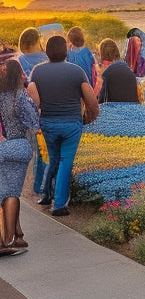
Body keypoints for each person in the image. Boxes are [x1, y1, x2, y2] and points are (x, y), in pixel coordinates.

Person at [27, 35, 100, 215]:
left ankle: (46, 194)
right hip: (71, 124)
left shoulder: (37, 71)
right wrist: (89, 117)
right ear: (66, 51)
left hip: (49, 123)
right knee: (65, 161)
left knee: (53, 159)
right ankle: (59, 205)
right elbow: (92, 102)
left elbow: (32, 100)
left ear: (47, 51)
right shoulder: (77, 71)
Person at [0, 57, 39, 253]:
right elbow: (33, 124)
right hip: (18, 146)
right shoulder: (20, 97)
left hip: (2, 147)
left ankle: (17, 235)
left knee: (3, 192)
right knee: (12, 193)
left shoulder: (1, 97)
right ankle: (9, 240)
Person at [17, 27, 49, 194]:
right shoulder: (46, 58)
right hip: (48, 106)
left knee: (35, 149)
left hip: (26, 109)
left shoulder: (19, 60)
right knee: (46, 150)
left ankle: (36, 185)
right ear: (37, 42)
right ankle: (42, 185)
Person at [98, 38, 140, 103]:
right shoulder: (128, 69)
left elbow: (102, 99)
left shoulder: (106, 73)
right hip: (131, 108)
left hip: (115, 109)